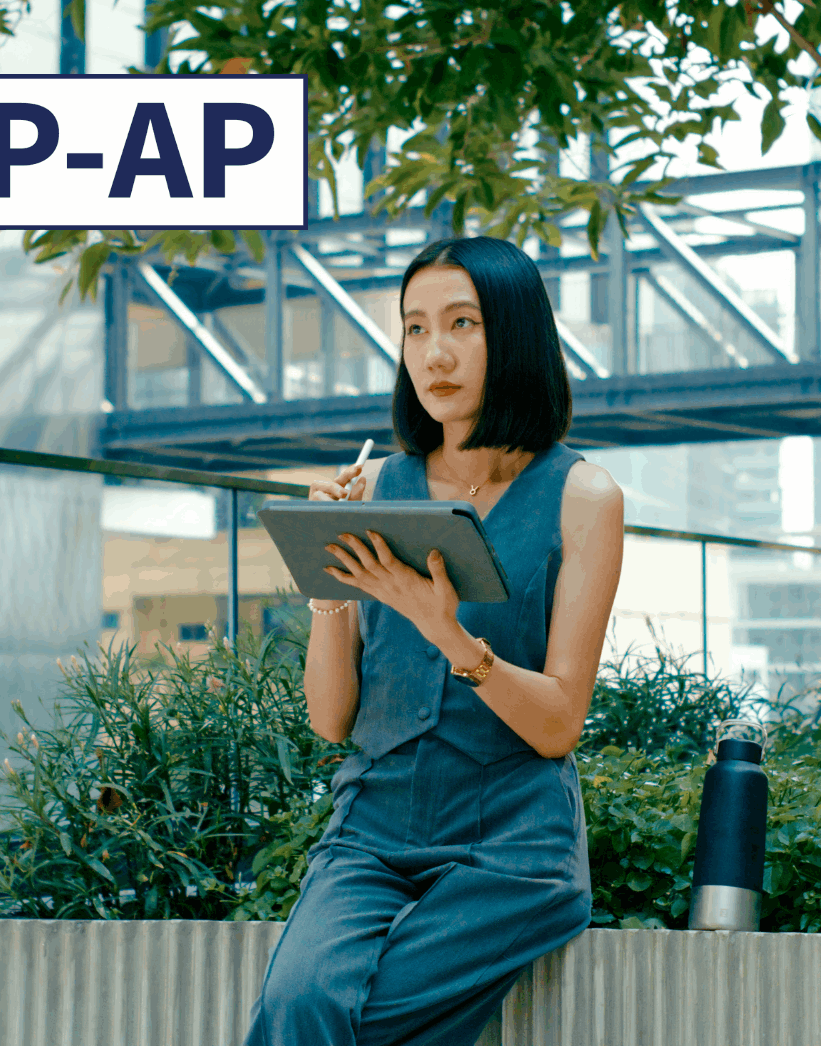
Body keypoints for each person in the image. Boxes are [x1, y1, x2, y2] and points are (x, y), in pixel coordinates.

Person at [244, 236, 624, 1046]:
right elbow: (331, 719)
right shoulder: (379, 484)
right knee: (296, 1007)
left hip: (513, 848)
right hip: (374, 827)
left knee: (356, 1024)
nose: (434, 352)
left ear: (514, 336)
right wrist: (328, 581)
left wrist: (448, 633)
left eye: (462, 324)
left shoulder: (584, 497)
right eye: (415, 329)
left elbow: (559, 724)